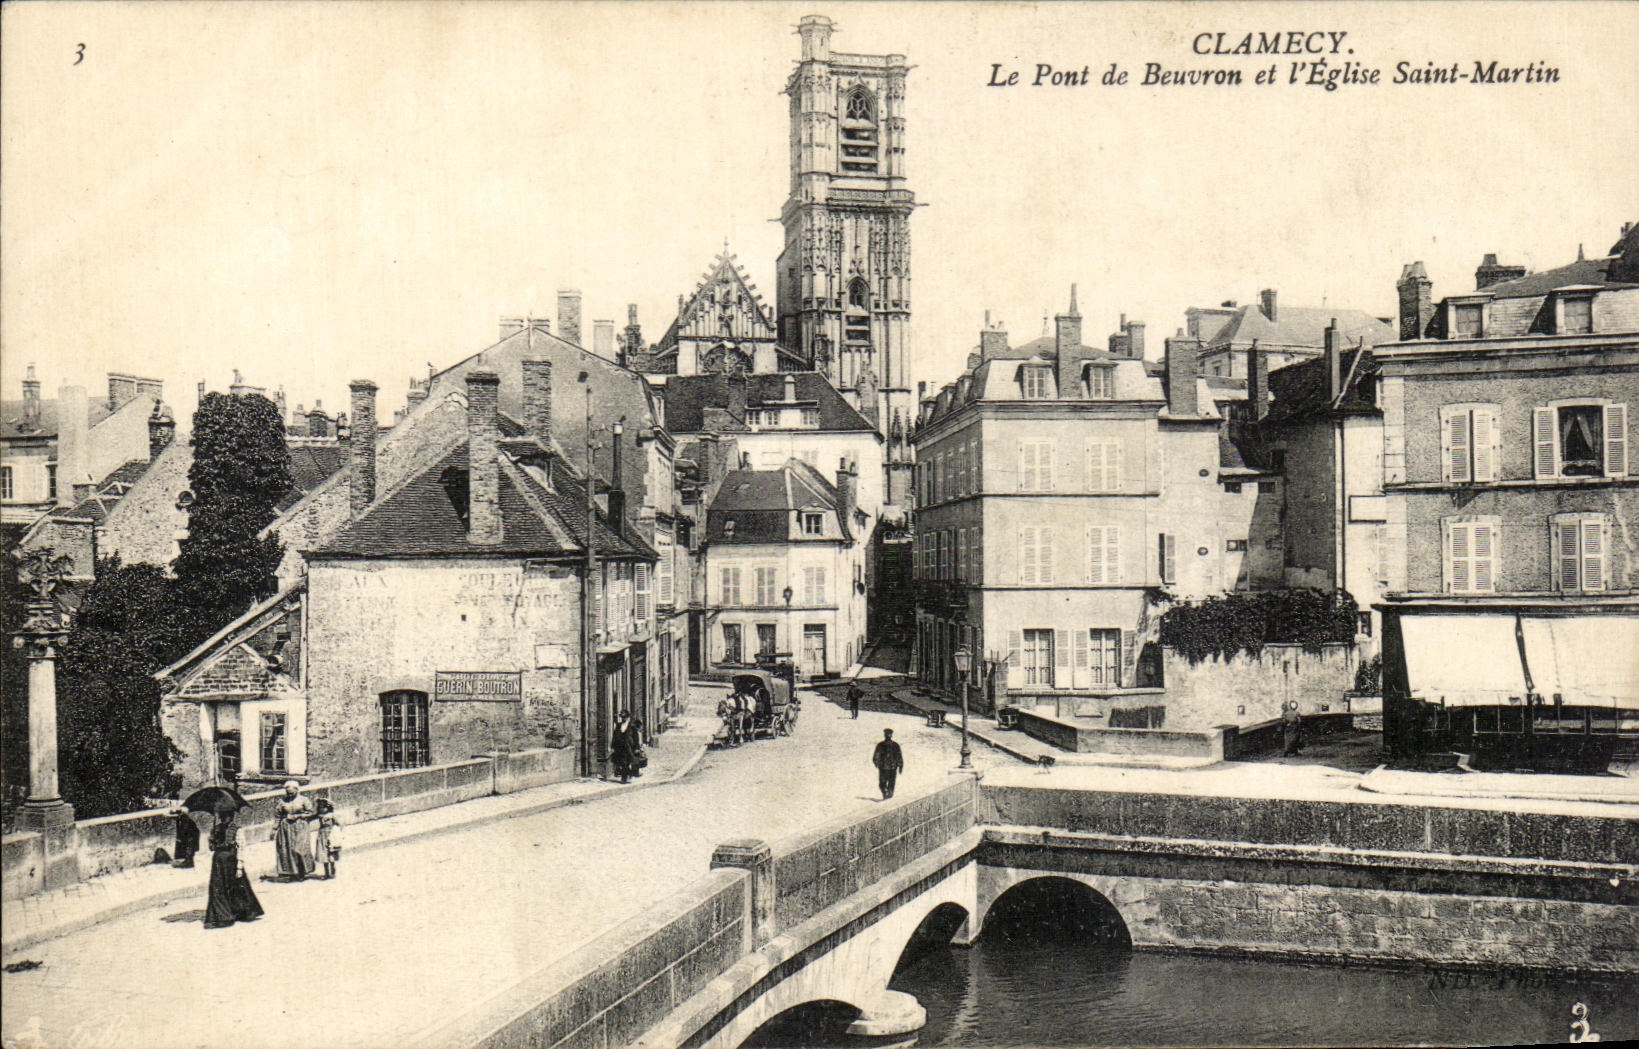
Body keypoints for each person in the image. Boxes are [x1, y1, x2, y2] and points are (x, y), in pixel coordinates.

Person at [203, 805, 263, 929]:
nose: (224, 818)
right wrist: (211, 840)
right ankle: (224, 917)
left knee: (237, 888)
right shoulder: (216, 829)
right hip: (218, 862)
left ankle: (242, 912)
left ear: (231, 816)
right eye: (221, 816)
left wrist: (239, 866)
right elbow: (212, 848)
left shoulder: (237, 830)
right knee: (218, 888)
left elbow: (241, 847)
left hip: (232, 861)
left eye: (226, 815)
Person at [274, 780, 316, 880]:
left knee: (299, 849)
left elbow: (311, 813)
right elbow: (278, 815)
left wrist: (299, 816)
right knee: (287, 850)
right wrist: (274, 828)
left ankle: (303, 871)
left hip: (301, 827)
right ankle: (292, 873)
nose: (290, 795)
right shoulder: (282, 801)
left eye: (292, 793)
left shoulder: (304, 800)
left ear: (297, 790)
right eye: (288, 793)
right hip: (286, 828)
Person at [610, 710, 644, 783]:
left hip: (629, 747)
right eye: (622, 717)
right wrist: (612, 746)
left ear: (628, 717)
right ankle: (625, 776)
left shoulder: (632, 727)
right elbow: (614, 736)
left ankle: (625, 778)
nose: (623, 719)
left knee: (627, 762)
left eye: (625, 717)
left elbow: (636, 738)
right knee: (622, 762)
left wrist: (637, 748)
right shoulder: (619, 726)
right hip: (620, 747)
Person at [314, 798, 343, 880]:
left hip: (330, 836)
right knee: (323, 854)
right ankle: (326, 873)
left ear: (328, 807)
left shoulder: (332, 815)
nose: (322, 809)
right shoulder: (319, 815)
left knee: (331, 854)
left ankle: (333, 871)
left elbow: (340, 824)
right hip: (322, 835)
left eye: (324, 807)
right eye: (320, 807)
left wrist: (337, 833)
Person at [872, 728, 904, 800]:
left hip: (884, 768)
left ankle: (886, 794)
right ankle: (888, 795)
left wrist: (877, 764)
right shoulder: (895, 745)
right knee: (890, 784)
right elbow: (899, 757)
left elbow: (876, 757)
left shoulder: (881, 745)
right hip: (891, 767)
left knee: (883, 783)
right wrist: (900, 766)